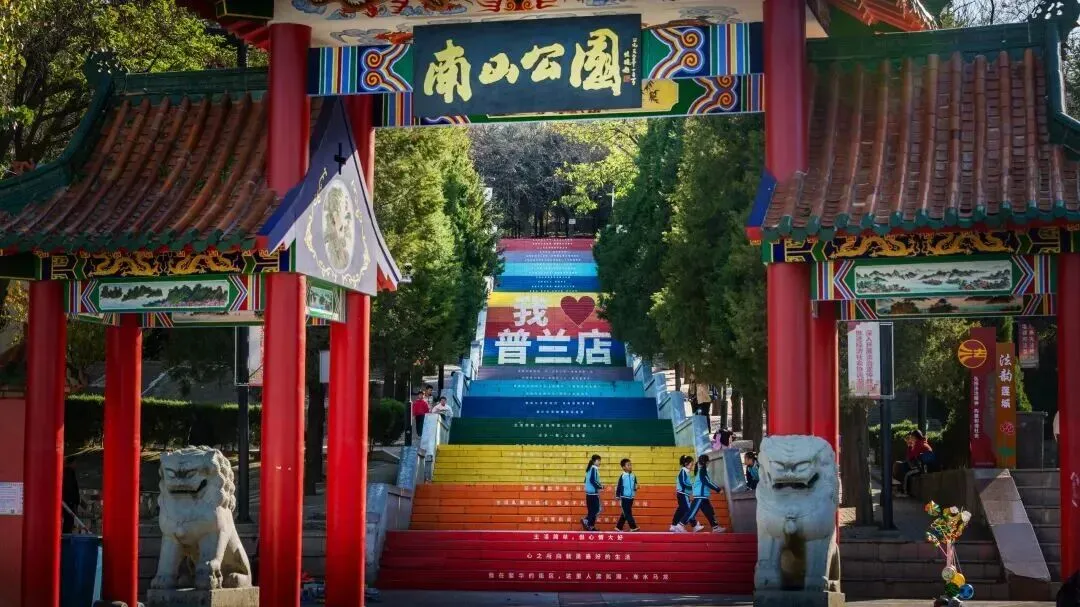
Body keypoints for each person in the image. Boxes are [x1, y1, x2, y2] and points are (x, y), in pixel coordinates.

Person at [681, 454, 726, 532]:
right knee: (692, 512)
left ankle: (715, 527)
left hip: (703, 496)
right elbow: (707, 482)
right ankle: (680, 525)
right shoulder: (702, 470)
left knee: (709, 511)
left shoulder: (700, 470)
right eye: (708, 462)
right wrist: (718, 489)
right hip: (700, 496)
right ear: (707, 462)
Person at [898, 430, 936, 496]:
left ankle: (905, 492)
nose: (910, 438)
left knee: (906, 474)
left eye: (911, 437)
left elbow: (910, 457)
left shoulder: (918, 444)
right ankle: (904, 490)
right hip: (925, 466)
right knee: (904, 466)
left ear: (915, 437)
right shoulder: (922, 442)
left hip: (921, 468)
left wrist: (909, 446)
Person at [670, 455, 696, 532]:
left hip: (682, 494)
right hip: (683, 494)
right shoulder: (683, 472)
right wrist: (692, 487)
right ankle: (694, 525)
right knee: (689, 510)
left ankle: (674, 525)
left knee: (681, 510)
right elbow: (684, 483)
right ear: (686, 463)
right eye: (691, 464)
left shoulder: (685, 472)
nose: (692, 466)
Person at [614, 458, 640, 532]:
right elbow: (619, 486)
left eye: (630, 465)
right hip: (624, 497)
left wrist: (636, 487)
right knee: (628, 513)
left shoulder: (633, 476)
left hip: (631, 497)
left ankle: (618, 527)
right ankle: (633, 527)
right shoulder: (622, 476)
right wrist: (617, 495)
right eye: (628, 465)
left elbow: (635, 485)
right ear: (623, 467)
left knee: (625, 513)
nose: (630, 466)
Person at [580, 454, 603, 531]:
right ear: (594, 461)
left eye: (600, 461)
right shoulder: (594, 468)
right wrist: (600, 486)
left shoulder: (589, 469)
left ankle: (591, 526)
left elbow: (585, 481)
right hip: (593, 493)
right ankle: (586, 520)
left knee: (591, 510)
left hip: (588, 494)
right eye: (598, 460)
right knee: (596, 509)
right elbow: (593, 480)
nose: (599, 462)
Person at [61, 461, 80, 534]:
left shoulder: (68, 472)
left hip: (68, 501)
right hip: (69, 501)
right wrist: (72, 500)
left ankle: (66, 532)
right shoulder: (69, 473)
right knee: (69, 519)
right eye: (75, 463)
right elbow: (69, 487)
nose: (76, 465)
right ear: (71, 463)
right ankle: (66, 534)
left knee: (69, 519)